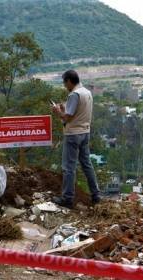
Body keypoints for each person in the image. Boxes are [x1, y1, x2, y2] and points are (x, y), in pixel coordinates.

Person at [51, 70, 101, 208]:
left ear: (69, 81)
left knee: (68, 167)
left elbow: (67, 117)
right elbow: (78, 111)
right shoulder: (87, 92)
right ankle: (96, 195)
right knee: (87, 164)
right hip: (85, 132)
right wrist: (64, 108)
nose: (64, 86)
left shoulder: (74, 94)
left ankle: (67, 198)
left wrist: (57, 111)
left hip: (73, 134)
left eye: (64, 83)